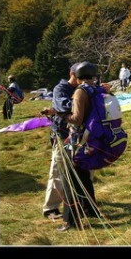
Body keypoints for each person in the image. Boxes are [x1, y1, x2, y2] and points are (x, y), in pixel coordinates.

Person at [56, 61, 101, 232]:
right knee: (83, 176)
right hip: (92, 140)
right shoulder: (98, 89)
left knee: (69, 180)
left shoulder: (80, 91)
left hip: (77, 142)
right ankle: (91, 210)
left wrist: (58, 113)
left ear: (78, 75)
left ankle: (70, 220)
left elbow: (76, 119)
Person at [40, 63, 80, 221]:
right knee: (58, 170)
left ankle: (80, 201)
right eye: (79, 76)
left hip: (81, 135)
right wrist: (84, 101)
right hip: (62, 134)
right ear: (71, 74)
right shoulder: (61, 88)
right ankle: (51, 208)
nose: (82, 80)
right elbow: (64, 106)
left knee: (83, 168)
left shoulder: (85, 88)